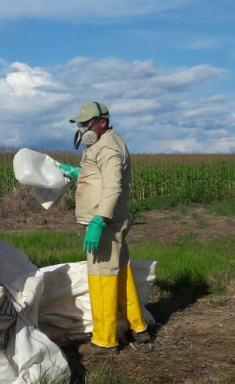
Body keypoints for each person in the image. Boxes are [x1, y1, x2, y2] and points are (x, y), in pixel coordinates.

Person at [58, 101, 151, 356]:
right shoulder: (101, 143)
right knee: (121, 272)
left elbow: (113, 187)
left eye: (86, 123)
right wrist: (78, 172)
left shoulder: (108, 147)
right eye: (80, 123)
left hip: (106, 223)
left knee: (102, 278)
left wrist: (99, 220)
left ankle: (104, 341)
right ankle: (139, 327)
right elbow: (100, 176)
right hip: (110, 220)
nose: (82, 128)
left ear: (102, 122)